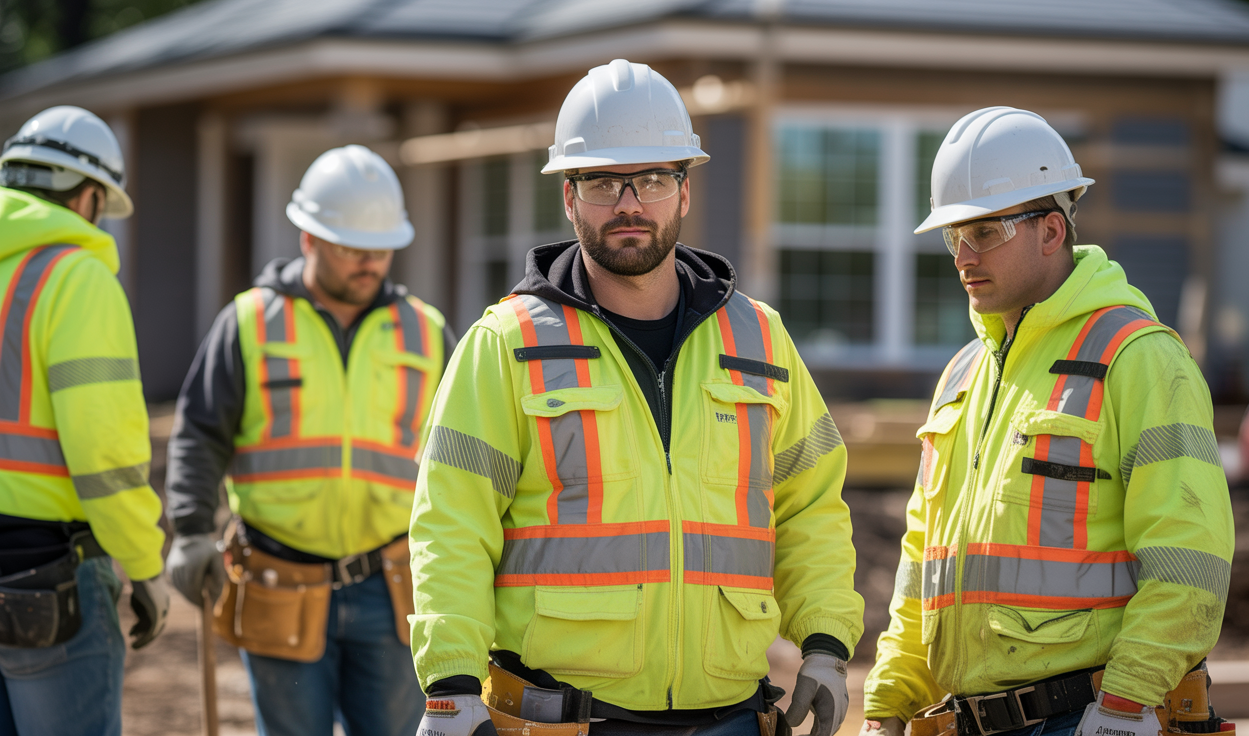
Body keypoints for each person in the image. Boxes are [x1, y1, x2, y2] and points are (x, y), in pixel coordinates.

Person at [409, 59, 865, 736]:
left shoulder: (761, 339)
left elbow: (812, 508)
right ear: (569, 198)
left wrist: (825, 646)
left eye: (652, 179)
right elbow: (451, 522)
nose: (629, 203)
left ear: (684, 191)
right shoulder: (506, 343)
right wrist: (449, 684)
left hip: (732, 717)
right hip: (566, 719)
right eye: (602, 181)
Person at [861, 107, 1234, 736]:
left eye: (984, 232)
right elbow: (924, 562)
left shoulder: (1139, 358)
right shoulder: (964, 375)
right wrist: (889, 705)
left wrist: (1125, 705)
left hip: (1089, 717)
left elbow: (1189, 559)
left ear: (1052, 231)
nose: (963, 256)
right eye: (955, 236)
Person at [165, 144, 455, 736]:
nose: (370, 264)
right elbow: (199, 432)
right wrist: (191, 531)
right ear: (309, 240)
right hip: (278, 579)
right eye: (353, 249)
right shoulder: (248, 323)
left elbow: (461, 456)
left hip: (392, 584)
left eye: (381, 250)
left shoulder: (427, 331)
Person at [0, 105, 169, 735]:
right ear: (91, 196)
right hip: (48, 581)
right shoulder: (76, 278)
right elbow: (106, 456)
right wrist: (145, 567)